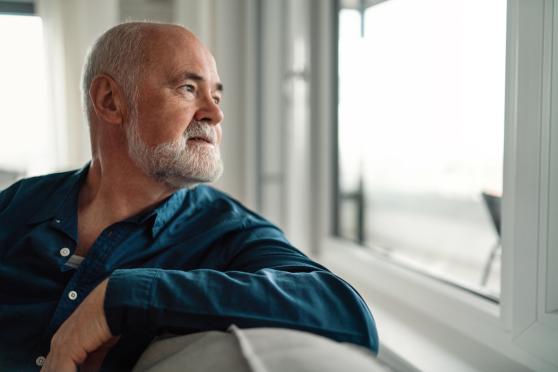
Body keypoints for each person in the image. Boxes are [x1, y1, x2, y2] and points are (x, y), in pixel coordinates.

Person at [0, 22, 378, 371]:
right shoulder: (16, 205)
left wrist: (123, 297)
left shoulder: (228, 232)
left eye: (216, 95)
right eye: (188, 88)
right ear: (111, 101)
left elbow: (345, 314)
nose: (215, 113)